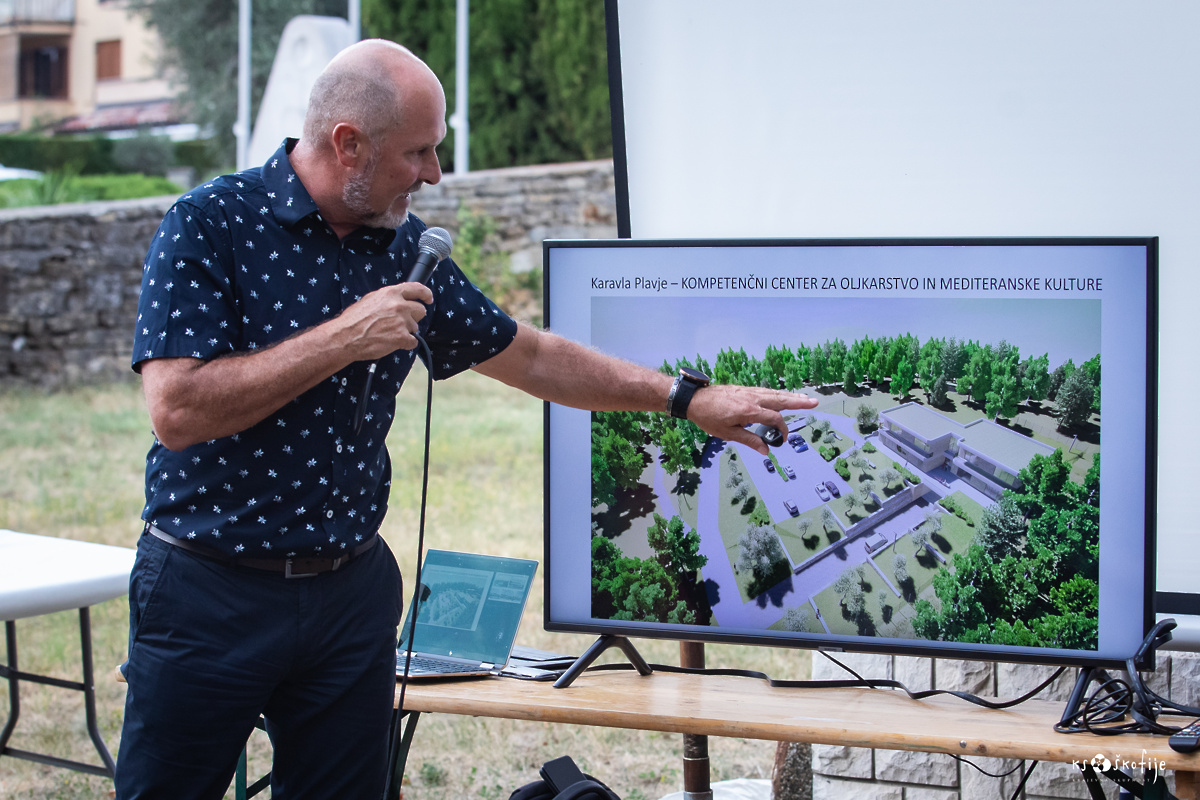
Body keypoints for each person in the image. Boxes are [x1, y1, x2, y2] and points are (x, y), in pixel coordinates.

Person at [116, 39, 816, 800]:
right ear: (347, 143)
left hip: (349, 598)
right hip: (209, 591)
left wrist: (688, 399)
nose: (434, 174)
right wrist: (342, 339)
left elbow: (534, 357)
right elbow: (177, 409)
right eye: (418, 152)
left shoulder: (406, 252)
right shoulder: (210, 223)